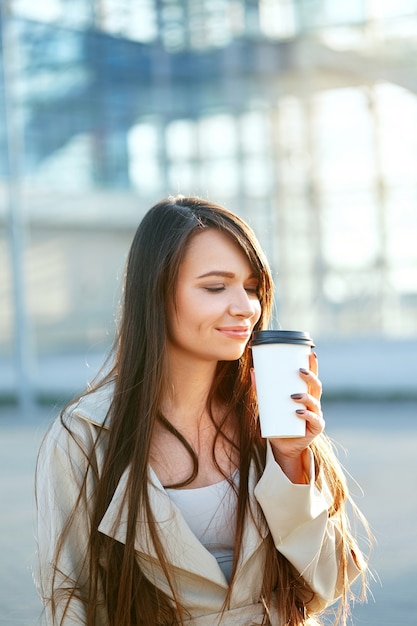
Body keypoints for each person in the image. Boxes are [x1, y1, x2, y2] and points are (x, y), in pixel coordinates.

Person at [35, 196, 370, 626]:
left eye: (251, 287)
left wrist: (289, 463)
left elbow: (326, 583)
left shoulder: (271, 415)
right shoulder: (84, 437)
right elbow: (71, 602)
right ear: (155, 293)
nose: (246, 306)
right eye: (216, 287)